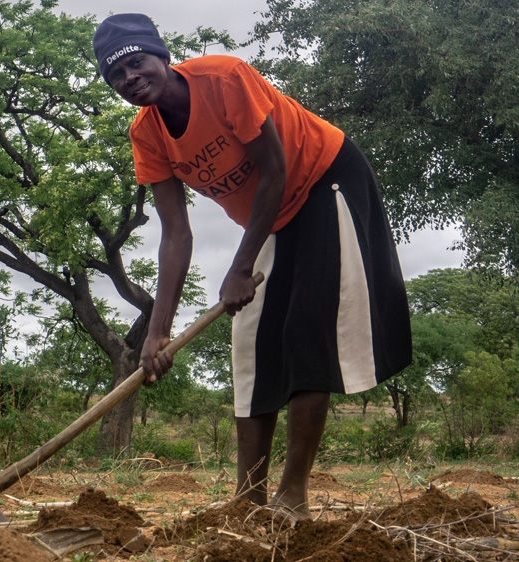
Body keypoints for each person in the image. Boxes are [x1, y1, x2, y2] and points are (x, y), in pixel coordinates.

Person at [93, 14, 413, 520]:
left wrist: (239, 267)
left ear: (161, 56)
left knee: (308, 332)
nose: (130, 79)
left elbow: (275, 169)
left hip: (321, 180)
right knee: (254, 345)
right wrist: (157, 332)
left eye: (136, 63)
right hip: (269, 220)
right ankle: (248, 499)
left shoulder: (224, 80)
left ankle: (293, 497)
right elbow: (175, 234)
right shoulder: (147, 135)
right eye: (117, 77)